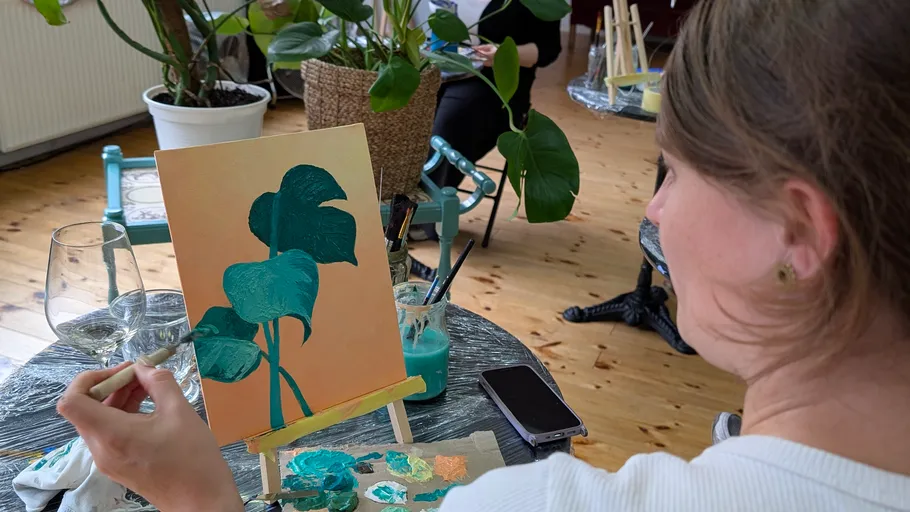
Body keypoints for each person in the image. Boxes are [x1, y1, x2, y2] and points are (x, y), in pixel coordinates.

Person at [56, 0, 910, 510]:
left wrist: (202, 498)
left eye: (675, 171)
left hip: (472, 88)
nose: (651, 206)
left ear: (797, 236)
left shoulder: (529, 503)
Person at [426, 0, 561, 191]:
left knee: (452, 121)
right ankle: (386, 207)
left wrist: (503, 53)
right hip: (440, 68)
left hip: (496, 81)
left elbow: (548, 49)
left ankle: (422, 210)